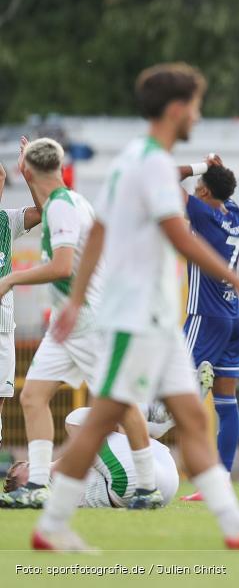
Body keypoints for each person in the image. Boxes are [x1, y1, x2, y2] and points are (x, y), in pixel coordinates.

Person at [32, 62, 239, 552]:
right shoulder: (150, 163)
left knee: (190, 421)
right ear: (178, 109)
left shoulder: (138, 158)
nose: (197, 113)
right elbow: (178, 236)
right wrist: (238, 278)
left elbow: (102, 235)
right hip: (136, 319)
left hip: (151, 320)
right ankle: (50, 523)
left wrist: (75, 297)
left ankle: (233, 526)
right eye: (195, 104)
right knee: (103, 421)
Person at [0, 137, 160, 511]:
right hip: (66, 324)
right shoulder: (69, 201)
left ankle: (147, 487)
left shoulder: (63, 207)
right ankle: (38, 484)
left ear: (27, 170)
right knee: (32, 396)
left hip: (87, 320)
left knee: (117, 401)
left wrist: (10, 279)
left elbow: (60, 266)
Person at [175, 155, 239, 501]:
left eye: (200, 188)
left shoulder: (203, 214)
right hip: (233, 316)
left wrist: (201, 167)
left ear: (203, 191)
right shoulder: (238, 218)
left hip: (204, 316)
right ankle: (220, 481)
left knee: (173, 397)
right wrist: (216, 174)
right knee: (227, 402)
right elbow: (225, 191)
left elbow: (166, 178)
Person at [4, 407, 179, 508]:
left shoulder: (56, 484)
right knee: (74, 421)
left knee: (98, 434)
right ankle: (148, 418)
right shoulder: (48, 482)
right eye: (27, 468)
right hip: (132, 482)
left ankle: (148, 421)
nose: (34, 466)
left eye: (28, 464)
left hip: (165, 484)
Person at [0, 159, 42, 448]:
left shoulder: (7, 220)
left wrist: (30, 175)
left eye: (1, 177)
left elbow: (44, 211)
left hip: (3, 329)